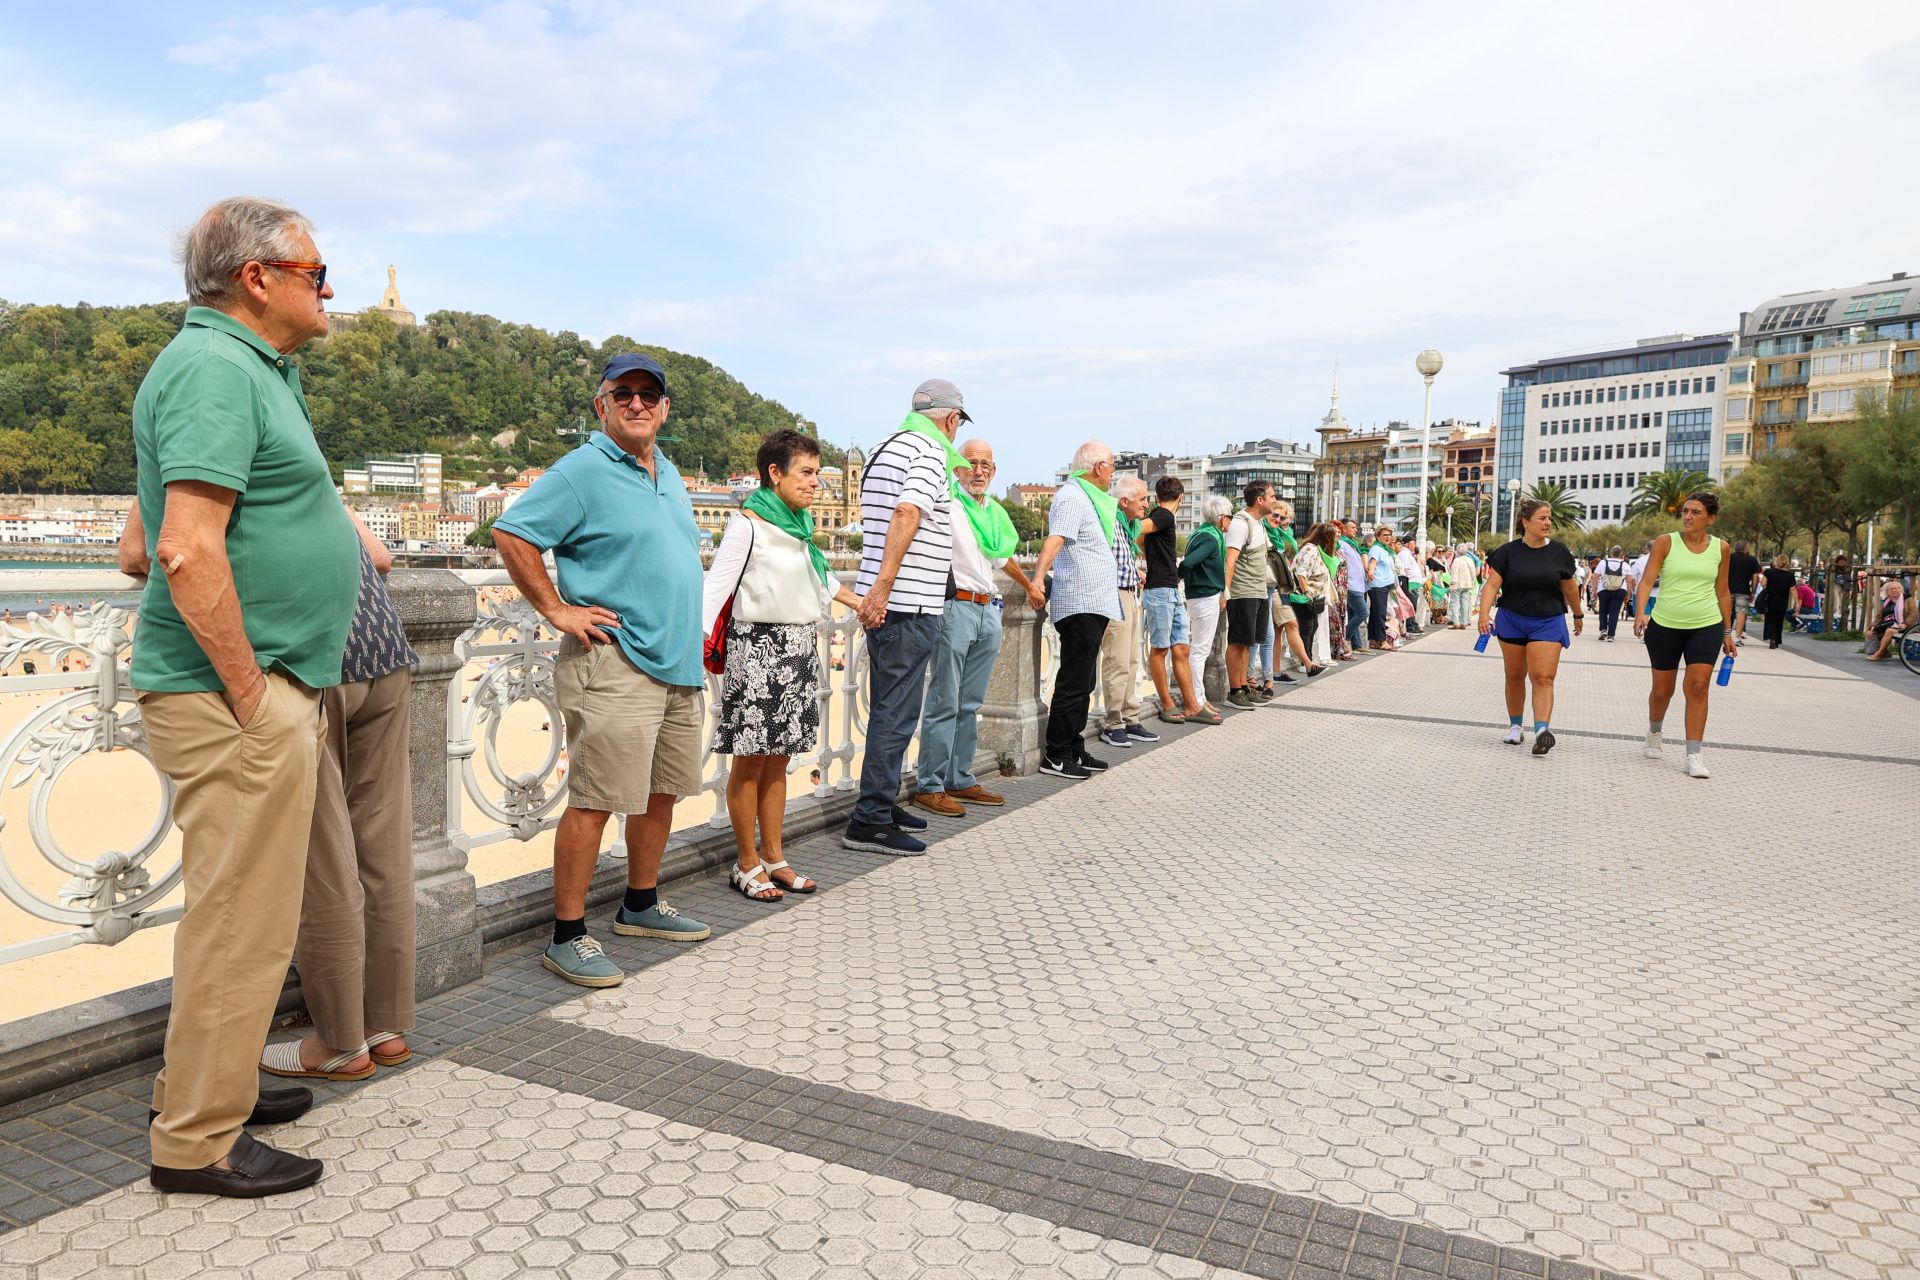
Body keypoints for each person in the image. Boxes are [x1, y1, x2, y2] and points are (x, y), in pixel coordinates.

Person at [131, 196, 362, 1197]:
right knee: (240, 919)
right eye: (316, 271)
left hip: (250, 687)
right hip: (236, 696)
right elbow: (184, 548)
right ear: (256, 278)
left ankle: (211, 1082)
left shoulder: (246, 368)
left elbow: (143, 541)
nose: (328, 288)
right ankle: (195, 1140)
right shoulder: (219, 368)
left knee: (243, 910)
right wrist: (251, 690)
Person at [493, 351, 712, 989]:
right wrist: (556, 609)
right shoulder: (582, 469)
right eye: (625, 395)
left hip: (675, 662)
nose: (638, 404)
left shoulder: (665, 468)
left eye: (650, 395)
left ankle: (640, 904)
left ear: (665, 407)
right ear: (603, 406)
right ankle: (567, 936)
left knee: (662, 791)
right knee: (594, 801)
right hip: (615, 661)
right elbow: (513, 534)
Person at [253, 508, 418, 1083]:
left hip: (315, 662)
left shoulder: (220, 458)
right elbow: (380, 557)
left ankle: (340, 1043)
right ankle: (387, 1027)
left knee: (321, 858)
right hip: (385, 652)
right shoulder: (307, 467)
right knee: (384, 849)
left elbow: (141, 554)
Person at [704, 429, 860, 899]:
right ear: (775, 473)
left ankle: (774, 856)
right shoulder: (748, 525)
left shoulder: (799, 528)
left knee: (779, 761)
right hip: (756, 648)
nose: (817, 483)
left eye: (818, 473)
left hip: (796, 649)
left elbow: (822, 578)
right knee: (749, 763)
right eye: (807, 473)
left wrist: (863, 603)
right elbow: (713, 592)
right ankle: (746, 862)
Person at [844, 380, 968, 853]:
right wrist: (884, 588)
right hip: (908, 603)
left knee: (888, 708)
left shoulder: (882, 448)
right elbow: (907, 512)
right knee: (896, 713)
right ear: (952, 420)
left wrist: (876, 587)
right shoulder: (931, 453)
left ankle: (883, 798)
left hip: (889, 603)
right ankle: (870, 817)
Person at [914, 436, 1045, 813]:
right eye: (971, 462)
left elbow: (1002, 559)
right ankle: (930, 784)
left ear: (994, 471)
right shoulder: (948, 505)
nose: (979, 470)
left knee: (971, 703)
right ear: (958, 466)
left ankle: (960, 777)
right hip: (955, 608)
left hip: (990, 609)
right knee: (944, 700)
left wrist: (1030, 586)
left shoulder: (993, 514)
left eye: (986, 464)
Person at [1034, 441, 1122, 776]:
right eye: (1112, 465)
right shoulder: (1072, 496)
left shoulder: (1087, 497)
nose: (1113, 472)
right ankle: (1056, 754)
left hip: (1094, 601)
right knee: (1073, 681)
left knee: (1084, 682)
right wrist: (1039, 578)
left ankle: (1074, 746)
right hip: (1080, 601)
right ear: (1098, 466)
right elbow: (1056, 538)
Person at [1633, 492, 1734, 779]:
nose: (1688, 517)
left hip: (1706, 625)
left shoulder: (1721, 548)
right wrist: (1641, 612)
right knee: (1663, 689)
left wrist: (1727, 631)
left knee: (1699, 686)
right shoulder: (1666, 542)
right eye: (1686, 511)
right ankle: (1655, 731)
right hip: (1665, 625)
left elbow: (1723, 591)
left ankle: (1694, 754)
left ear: (1711, 518)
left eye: (1696, 512)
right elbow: (1647, 580)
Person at [1477, 497, 1582, 756]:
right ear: (1526, 522)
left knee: (1543, 677)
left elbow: (1569, 586)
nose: (1548, 522)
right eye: (1542, 518)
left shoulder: (1559, 552)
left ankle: (1541, 731)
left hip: (1548, 621)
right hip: (1512, 619)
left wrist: (1578, 614)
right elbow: (1492, 585)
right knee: (1514, 676)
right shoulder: (1507, 552)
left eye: (1549, 518)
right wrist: (1483, 613)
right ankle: (1515, 726)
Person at [1141, 477, 1218, 726]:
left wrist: (1149, 560)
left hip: (1170, 589)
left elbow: (1140, 538)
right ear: (1182, 498)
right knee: (1161, 648)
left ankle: (1192, 705)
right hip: (1161, 591)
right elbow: (1139, 530)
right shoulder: (1165, 516)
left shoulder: (1160, 516)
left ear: (1156, 496)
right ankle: (1167, 703)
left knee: (1181, 648)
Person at [1097, 476, 1157, 750]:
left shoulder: (1127, 525)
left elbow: (1121, 559)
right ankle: (1113, 724)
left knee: (1132, 660)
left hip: (1129, 592)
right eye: (1143, 498)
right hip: (1115, 594)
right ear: (1124, 501)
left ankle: (1130, 718)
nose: (1147, 503)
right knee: (1117, 660)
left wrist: (1136, 573)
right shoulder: (1109, 521)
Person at [1222, 481, 1276, 706]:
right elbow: (1230, 561)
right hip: (1243, 592)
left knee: (1248, 642)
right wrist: (1225, 592)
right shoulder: (1241, 523)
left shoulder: (1259, 523)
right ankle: (1234, 692)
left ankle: (1243, 685)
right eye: (1272, 496)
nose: (1275, 500)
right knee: (1237, 642)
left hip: (1258, 591)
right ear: (1260, 500)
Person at [1180, 495, 1232, 693]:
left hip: (1196, 595)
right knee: (1200, 651)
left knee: (1198, 649)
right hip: (1205, 596)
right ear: (1221, 518)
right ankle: (1197, 697)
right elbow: (1188, 562)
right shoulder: (1211, 538)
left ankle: (1196, 696)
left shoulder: (1199, 534)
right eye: (1230, 516)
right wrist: (1177, 576)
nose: (1230, 521)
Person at [1267, 504, 1322, 679]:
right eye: (1278, 516)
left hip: (1282, 585)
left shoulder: (1283, 534)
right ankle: (1308, 664)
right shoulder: (1268, 532)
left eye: (1285, 517)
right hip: (1274, 585)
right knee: (1291, 624)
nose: (1283, 521)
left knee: (1277, 631)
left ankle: (1275, 671)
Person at [1291, 523, 1336, 669]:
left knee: (1312, 626)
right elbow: (1301, 573)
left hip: (1312, 596)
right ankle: (1306, 662)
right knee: (1306, 627)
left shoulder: (1317, 550)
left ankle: (1308, 660)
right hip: (1303, 596)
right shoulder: (1310, 550)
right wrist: (1306, 592)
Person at [1338, 520, 1370, 653]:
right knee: (1363, 612)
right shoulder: (1342, 543)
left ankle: (1357, 645)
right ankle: (1345, 638)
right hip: (1351, 585)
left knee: (1353, 615)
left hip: (1359, 585)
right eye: (1352, 528)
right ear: (1344, 530)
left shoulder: (1353, 545)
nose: (1355, 530)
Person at [1366, 526, 1398, 651]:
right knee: (1380, 614)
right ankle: (1382, 641)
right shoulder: (1376, 548)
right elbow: (1373, 562)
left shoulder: (1384, 550)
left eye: (1389, 535)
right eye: (1384, 535)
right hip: (1378, 585)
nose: (1387, 537)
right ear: (1377, 536)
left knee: (1375, 614)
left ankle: (1374, 639)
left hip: (1383, 585)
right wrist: (1371, 571)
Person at [1728, 540, 1762, 648]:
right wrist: (1753, 591)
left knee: (1726, 613)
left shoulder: (1728, 557)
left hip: (1727, 590)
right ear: (1746, 549)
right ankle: (1737, 638)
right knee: (1741, 613)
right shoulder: (1751, 560)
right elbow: (1755, 576)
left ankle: (1725, 636)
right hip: (1743, 591)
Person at [1759, 554, 1796, 650]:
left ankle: (1772, 638)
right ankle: (1777, 640)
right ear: (1786, 563)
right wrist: (1798, 602)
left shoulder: (1769, 572)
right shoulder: (1790, 575)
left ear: (1777, 561)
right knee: (1779, 621)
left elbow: (1763, 583)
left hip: (1770, 599)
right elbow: (1793, 589)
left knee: (1770, 619)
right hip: (1782, 601)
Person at [1864, 580, 1908, 661]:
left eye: (1896, 588)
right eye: (1891, 589)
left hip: (1904, 626)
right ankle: (1884, 652)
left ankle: (1879, 653)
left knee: (1889, 631)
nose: (1894, 590)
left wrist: (1905, 624)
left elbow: (1913, 615)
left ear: (1901, 590)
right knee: (1870, 632)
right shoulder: (1886, 601)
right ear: (1887, 592)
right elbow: (1879, 616)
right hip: (1888, 624)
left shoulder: (1907, 600)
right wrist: (1874, 625)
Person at [1595, 545, 1630, 642]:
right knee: (1614, 612)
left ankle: (1603, 630)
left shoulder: (1603, 563)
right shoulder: (1625, 565)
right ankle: (1611, 636)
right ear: (1621, 554)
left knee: (1603, 611)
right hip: (1620, 590)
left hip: (1603, 590)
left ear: (1611, 553)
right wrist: (1628, 593)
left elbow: (1596, 577)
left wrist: (1594, 590)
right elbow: (1629, 580)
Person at [1447, 544, 1479, 631]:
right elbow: (1474, 573)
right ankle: (1464, 623)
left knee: (1454, 603)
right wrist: (1472, 583)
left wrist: (1453, 583)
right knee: (1465, 604)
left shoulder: (1457, 560)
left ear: (1457, 551)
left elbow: (1454, 573)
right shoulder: (1470, 560)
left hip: (1458, 584)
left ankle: (1456, 622)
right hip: (1468, 585)